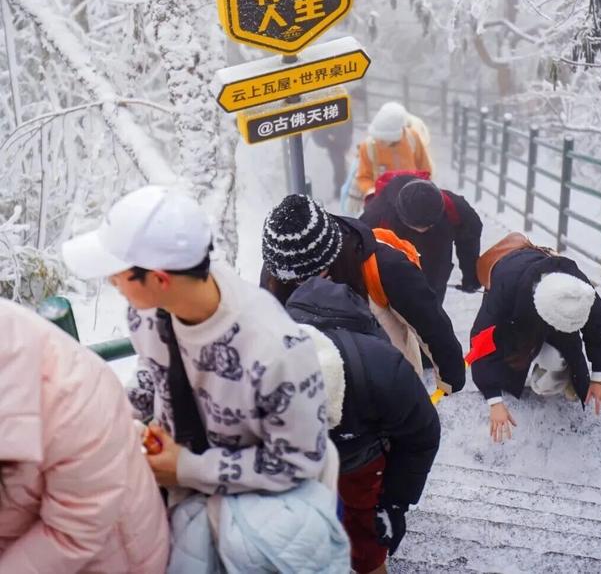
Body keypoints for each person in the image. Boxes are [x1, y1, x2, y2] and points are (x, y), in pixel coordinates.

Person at [63, 185, 348, 572]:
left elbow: (298, 462)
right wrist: (118, 420)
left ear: (160, 279)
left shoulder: (274, 348)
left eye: (117, 274)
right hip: (181, 502)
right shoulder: (145, 312)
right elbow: (153, 367)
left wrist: (186, 468)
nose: (111, 283)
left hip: (253, 525)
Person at [273, 275, 440, 574]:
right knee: (356, 531)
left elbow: (422, 435)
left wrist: (395, 502)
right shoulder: (383, 363)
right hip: (344, 459)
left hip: (332, 459)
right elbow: (421, 435)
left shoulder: (383, 368)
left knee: (348, 527)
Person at [0, 298, 169, 574]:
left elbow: (75, 531)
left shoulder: (72, 403)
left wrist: (189, 466)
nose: (118, 286)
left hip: (112, 557)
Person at [261, 193, 465, 393]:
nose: (304, 286)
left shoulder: (384, 266)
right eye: (294, 282)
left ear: (330, 256)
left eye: (312, 278)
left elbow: (429, 321)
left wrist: (449, 376)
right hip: (318, 392)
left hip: (388, 389)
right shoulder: (281, 266)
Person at [469, 237, 601, 443]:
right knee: (513, 359)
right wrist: (494, 400)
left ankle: (557, 370)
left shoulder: (579, 289)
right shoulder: (505, 286)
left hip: (544, 308)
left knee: (550, 376)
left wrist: (599, 377)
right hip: (516, 310)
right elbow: (481, 340)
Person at [360, 175, 483, 303]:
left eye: (429, 225)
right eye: (416, 226)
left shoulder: (454, 207)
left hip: (435, 273)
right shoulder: (377, 215)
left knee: (431, 307)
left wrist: (471, 276)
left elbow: (469, 239)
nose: (422, 230)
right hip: (391, 277)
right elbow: (358, 248)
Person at [355, 101, 435, 203]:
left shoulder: (412, 139)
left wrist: (423, 191)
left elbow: (425, 169)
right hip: (382, 202)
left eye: (384, 139)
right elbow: (363, 177)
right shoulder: (367, 147)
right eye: (378, 138)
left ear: (396, 135)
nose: (379, 142)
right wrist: (371, 191)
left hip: (411, 200)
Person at [311, 117, 354, 198]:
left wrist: (349, 135)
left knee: (342, 165)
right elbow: (317, 129)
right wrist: (328, 137)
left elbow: (349, 120)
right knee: (339, 166)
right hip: (334, 143)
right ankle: (340, 189)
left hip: (343, 138)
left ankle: (343, 186)